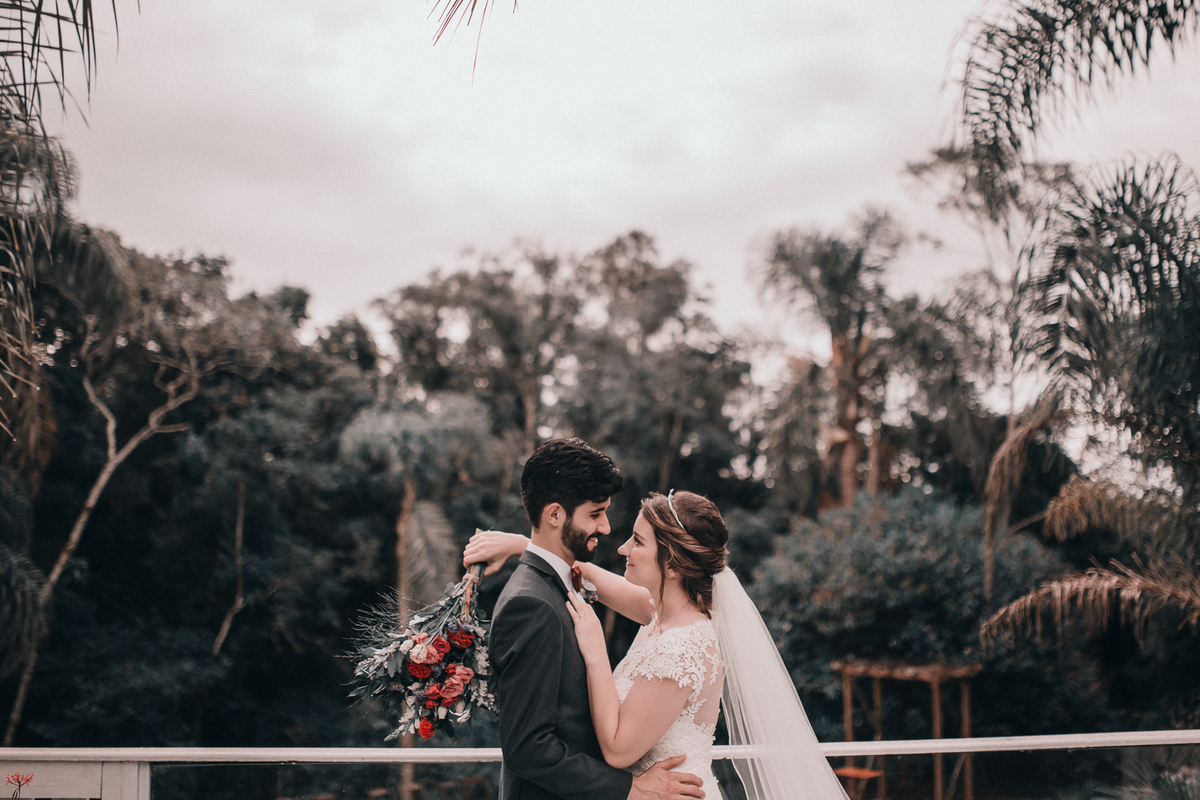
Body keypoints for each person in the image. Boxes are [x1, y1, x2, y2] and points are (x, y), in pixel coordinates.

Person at [466, 487, 851, 800]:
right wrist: (525, 546)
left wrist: (596, 651)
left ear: (671, 565)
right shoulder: (662, 614)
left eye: (637, 542)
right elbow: (588, 575)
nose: (622, 550)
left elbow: (618, 750)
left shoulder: (681, 648)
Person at [482, 438, 707, 800]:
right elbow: (527, 747)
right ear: (555, 515)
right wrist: (630, 788)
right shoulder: (532, 604)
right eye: (595, 513)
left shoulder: (559, 584)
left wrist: (518, 544)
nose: (606, 529)